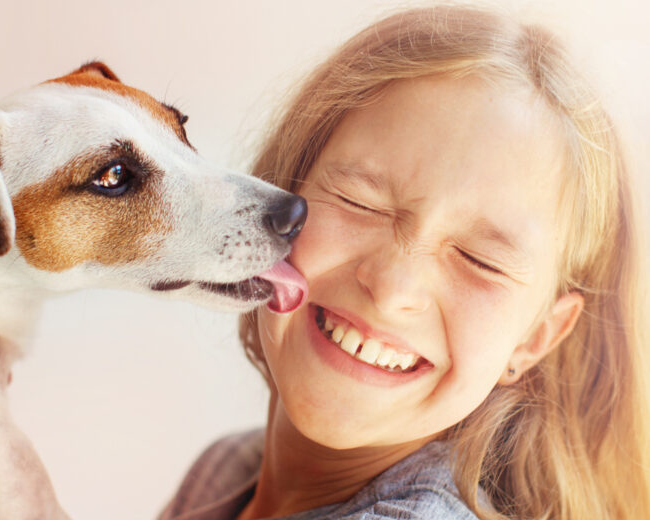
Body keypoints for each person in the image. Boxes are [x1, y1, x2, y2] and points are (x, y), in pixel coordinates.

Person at [159, 4, 650, 520]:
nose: (393, 287)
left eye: (479, 260)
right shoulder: (227, 470)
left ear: (535, 339)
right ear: (281, 194)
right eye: (360, 202)